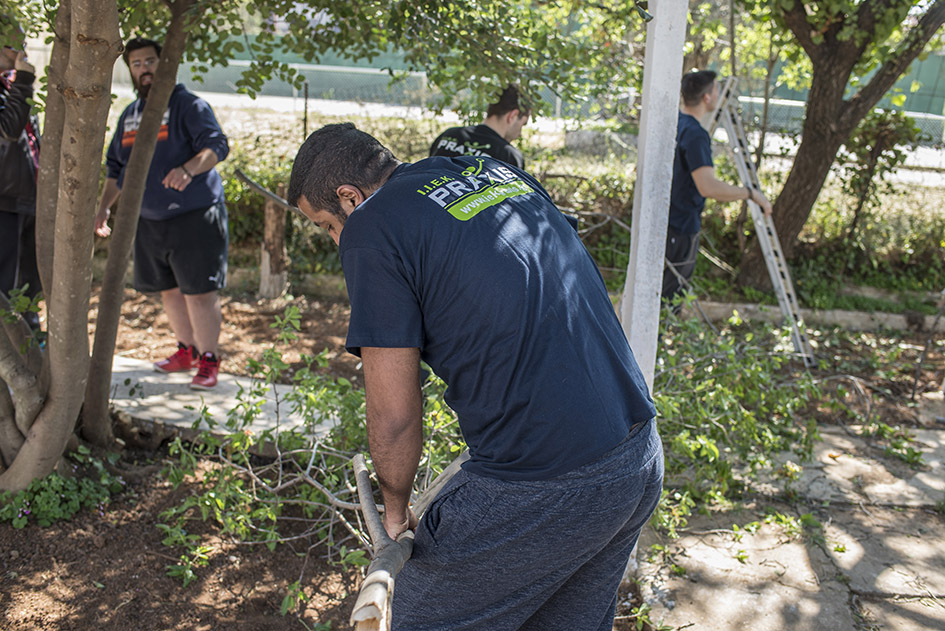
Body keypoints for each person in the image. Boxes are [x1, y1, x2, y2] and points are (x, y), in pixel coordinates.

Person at [288, 123, 664, 631]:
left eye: (326, 226)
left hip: (543, 482)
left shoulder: (371, 225)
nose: (337, 240)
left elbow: (394, 415)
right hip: (635, 461)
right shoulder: (489, 171)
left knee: (412, 619)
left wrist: (395, 510)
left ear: (349, 198)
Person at [95, 37, 229, 390]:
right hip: (150, 222)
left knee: (199, 292)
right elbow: (115, 168)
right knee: (169, 290)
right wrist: (103, 207)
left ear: (165, 64)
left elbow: (217, 146)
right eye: (137, 64)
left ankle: (209, 359)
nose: (145, 69)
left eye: (150, 61)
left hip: (195, 215)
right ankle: (186, 351)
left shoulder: (188, 105)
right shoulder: (130, 116)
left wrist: (188, 169)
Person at [664, 69, 773, 307]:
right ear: (707, 97)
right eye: (716, 90)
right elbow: (708, 187)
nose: (719, 95)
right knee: (669, 301)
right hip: (681, 227)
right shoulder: (695, 134)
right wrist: (750, 194)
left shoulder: (677, 123)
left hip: (667, 222)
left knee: (660, 295)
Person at [0, 24, 42, 331]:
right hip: (5, 201)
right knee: (6, 285)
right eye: (13, 45)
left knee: (30, 283)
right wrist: (25, 79)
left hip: (29, 199)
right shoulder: (18, 84)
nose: (21, 53)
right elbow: (9, 130)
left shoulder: (12, 86)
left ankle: (31, 338)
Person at [429, 84, 530, 169]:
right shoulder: (509, 157)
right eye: (523, 124)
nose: (519, 134)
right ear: (512, 116)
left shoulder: (448, 136)